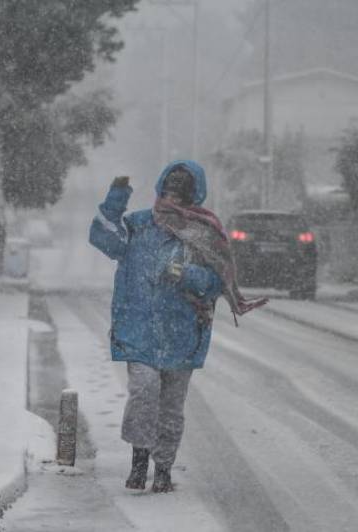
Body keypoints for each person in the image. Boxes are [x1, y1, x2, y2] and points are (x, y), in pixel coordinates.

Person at [89, 160, 267, 493]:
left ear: (192, 196)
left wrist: (187, 275)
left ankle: (163, 470)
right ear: (160, 188)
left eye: (179, 193)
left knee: (171, 407)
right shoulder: (139, 224)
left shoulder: (204, 233)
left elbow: (217, 281)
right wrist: (116, 197)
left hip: (182, 333)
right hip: (138, 328)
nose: (171, 198)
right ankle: (139, 461)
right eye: (168, 190)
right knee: (144, 392)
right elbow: (104, 239)